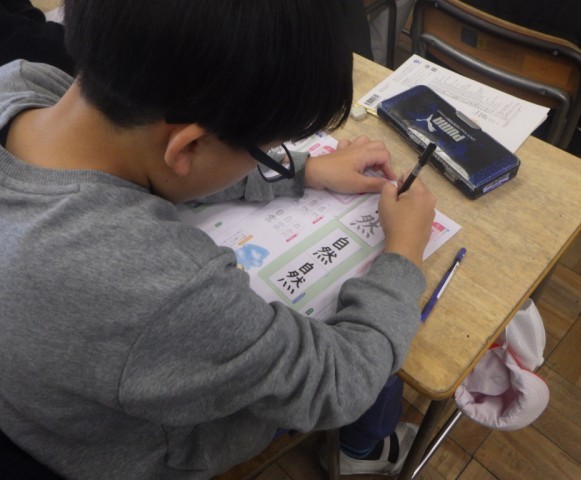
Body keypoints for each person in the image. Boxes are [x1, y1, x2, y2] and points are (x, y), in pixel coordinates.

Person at [0, 1, 437, 479]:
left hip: (34, 409)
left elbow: (144, 155)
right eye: (264, 151)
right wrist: (404, 251)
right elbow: (340, 382)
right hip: (121, 453)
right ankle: (366, 451)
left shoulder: (22, 85)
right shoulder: (166, 287)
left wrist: (302, 169)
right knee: (387, 369)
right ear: (188, 145)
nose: (269, 157)